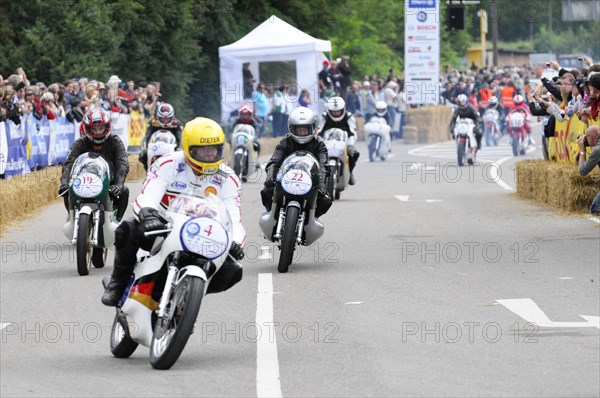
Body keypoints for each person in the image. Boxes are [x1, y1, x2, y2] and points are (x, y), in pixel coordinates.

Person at [101, 117, 246, 306]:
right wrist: (148, 213)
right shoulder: (167, 163)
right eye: (202, 150)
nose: (209, 155)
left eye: (213, 150)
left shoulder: (229, 178)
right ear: (187, 148)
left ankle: (188, 299)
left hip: (203, 236)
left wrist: (235, 242)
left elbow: (234, 216)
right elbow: (149, 194)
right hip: (162, 227)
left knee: (233, 269)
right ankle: (117, 283)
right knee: (127, 229)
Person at [58, 108, 130, 221]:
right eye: (94, 129)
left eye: (101, 128)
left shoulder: (115, 141)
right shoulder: (80, 143)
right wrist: (64, 183)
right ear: (87, 128)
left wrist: (119, 184)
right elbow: (68, 163)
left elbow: (122, 164)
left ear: (106, 127)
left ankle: (117, 221)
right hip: (83, 182)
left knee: (124, 190)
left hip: (108, 183)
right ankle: (72, 217)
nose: (97, 132)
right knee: (67, 191)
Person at [260, 107, 332, 218]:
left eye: (305, 129)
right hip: (287, 178)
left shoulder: (319, 144)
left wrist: (321, 185)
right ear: (291, 128)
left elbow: (323, 166)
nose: (302, 133)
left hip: (311, 180)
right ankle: (272, 214)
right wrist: (270, 177)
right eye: (299, 129)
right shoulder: (285, 142)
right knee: (266, 191)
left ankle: (313, 216)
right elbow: (274, 162)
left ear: (312, 128)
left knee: (325, 200)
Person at [317, 96, 360, 185]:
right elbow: (319, 132)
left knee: (354, 154)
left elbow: (352, 133)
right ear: (329, 110)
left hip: (344, 143)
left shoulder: (348, 117)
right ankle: (318, 176)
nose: (336, 113)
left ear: (343, 109)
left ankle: (350, 172)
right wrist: (320, 143)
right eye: (334, 111)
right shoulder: (324, 117)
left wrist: (350, 145)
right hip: (327, 144)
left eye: (338, 111)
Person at [138, 102, 183, 171]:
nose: (165, 121)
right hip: (155, 145)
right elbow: (147, 136)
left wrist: (179, 148)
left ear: (171, 117)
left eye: (167, 119)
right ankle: (147, 170)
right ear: (158, 117)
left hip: (172, 146)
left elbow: (179, 138)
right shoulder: (152, 123)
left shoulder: (177, 124)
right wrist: (145, 148)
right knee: (143, 155)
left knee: (181, 157)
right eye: (163, 119)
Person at [577, 125, 600, 215]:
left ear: (591, 138)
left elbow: (582, 171)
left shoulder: (597, 150)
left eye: (586, 137)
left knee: (595, 209)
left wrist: (582, 150)